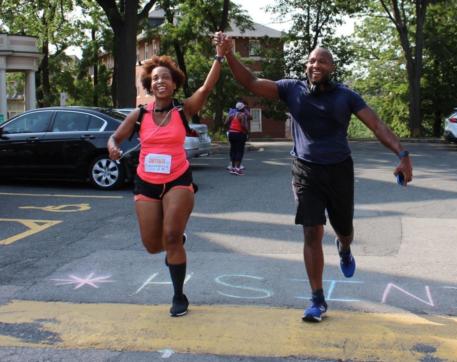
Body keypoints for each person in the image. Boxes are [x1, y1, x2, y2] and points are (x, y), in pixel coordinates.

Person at [217, 32, 413, 322]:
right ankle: (317, 299)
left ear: (331, 67)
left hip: (339, 170)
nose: (315, 65)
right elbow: (252, 83)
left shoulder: (346, 96)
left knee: (344, 229)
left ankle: (344, 248)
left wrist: (402, 154)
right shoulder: (291, 89)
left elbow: (376, 124)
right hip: (305, 170)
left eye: (321, 61)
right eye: (311, 60)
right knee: (312, 230)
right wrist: (230, 54)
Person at [107, 40, 230, 317]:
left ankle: (178, 296)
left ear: (174, 84)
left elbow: (206, 88)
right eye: (155, 78)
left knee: (171, 237)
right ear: (149, 86)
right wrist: (112, 146)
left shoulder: (182, 111)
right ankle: (174, 240)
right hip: (146, 182)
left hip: (178, 180)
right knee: (152, 245)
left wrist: (219, 57)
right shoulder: (139, 115)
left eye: (165, 77)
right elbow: (116, 137)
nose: (160, 81)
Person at [224, 101, 252, 175]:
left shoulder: (232, 114)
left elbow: (225, 123)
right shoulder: (242, 115)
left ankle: (233, 168)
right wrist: (247, 132)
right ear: (242, 108)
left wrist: (230, 128)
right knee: (239, 151)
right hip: (239, 134)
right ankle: (237, 169)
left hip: (231, 133)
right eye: (244, 108)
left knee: (233, 150)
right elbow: (243, 125)